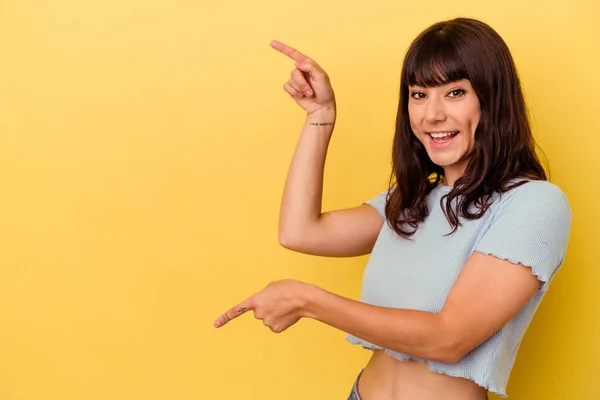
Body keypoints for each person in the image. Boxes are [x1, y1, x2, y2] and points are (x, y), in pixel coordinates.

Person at [214, 17, 572, 400]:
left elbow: (449, 339)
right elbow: (299, 232)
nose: (431, 114)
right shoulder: (411, 200)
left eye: (455, 92)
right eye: (419, 94)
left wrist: (309, 301)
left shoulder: (532, 204)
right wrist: (320, 116)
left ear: (493, 99)